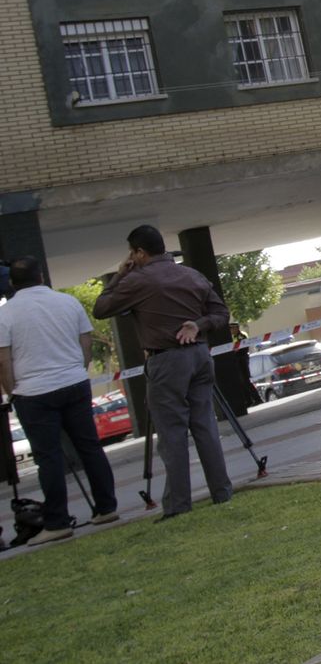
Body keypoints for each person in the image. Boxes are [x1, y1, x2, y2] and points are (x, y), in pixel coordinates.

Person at [93, 225, 233, 519]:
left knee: (172, 435)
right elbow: (221, 314)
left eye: (133, 253)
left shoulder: (137, 281)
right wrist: (199, 325)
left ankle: (179, 506)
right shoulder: (192, 275)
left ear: (139, 253)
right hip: (200, 356)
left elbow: (102, 307)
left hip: (166, 361)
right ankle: (222, 493)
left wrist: (120, 274)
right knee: (205, 426)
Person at [0, 257, 119, 544]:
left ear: (12, 283)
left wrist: (12, 390)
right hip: (73, 382)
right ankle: (106, 507)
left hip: (33, 391)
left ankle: (57, 521)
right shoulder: (67, 303)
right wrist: (79, 368)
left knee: (48, 457)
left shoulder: (6, 315)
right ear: (41, 277)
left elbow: (3, 359)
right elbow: (86, 341)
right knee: (90, 446)